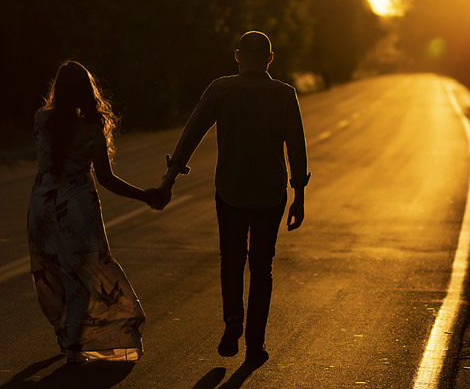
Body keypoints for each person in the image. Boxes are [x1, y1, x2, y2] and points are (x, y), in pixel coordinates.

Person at [156, 30, 308, 368]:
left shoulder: (220, 89)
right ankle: (255, 345)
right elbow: (296, 147)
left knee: (232, 261)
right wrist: (299, 195)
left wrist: (169, 179)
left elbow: (191, 134)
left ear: (238, 56)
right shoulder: (284, 94)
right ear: (270, 58)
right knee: (262, 268)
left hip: (231, 191)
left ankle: (232, 321)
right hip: (270, 194)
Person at [28, 60, 168, 364]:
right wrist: (144, 196)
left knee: (52, 271)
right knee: (83, 276)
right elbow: (105, 179)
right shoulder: (91, 128)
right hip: (77, 210)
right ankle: (76, 347)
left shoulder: (41, 119)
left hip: (42, 208)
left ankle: (67, 336)